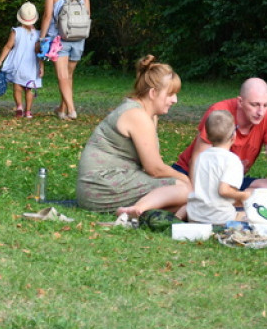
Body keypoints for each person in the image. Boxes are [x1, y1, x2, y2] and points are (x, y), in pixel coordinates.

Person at [76, 55, 190, 214]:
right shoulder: (137, 115)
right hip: (101, 187)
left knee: (184, 203)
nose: (175, 100)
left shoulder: (145, 112)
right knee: (185, 191)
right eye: (170, 94)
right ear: (153, 93)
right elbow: (154, 169)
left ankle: (140, 211)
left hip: (107, 184)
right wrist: (187, 180)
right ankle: (137, 210)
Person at [173, 78, 267, 203]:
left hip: (228, 182)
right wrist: (199, 197)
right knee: (184, 194)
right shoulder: (219, 114)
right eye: (254, 105)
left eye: (265, 105)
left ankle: (229, 204)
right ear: (240, 102)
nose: (261, 112)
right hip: (194, 175)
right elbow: (198, 160)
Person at [38, 0, 90, 120]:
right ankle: (62, 109)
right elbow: (87, 15)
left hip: (58, 39)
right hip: (78, 37)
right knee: (68, 76)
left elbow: (47, 16)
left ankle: (72, 110)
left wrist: (41, 38)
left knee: (62, 76)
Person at [186, 110, 253, 225]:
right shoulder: (232, 160)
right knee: (250, 216)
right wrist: (245, 195)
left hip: (194, 216)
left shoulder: (201, 157)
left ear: (206, 135)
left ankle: (176, 218)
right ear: (234, 136)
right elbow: (224, 190)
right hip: (220, 218)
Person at [0, 1, 44, 118]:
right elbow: (40, 53)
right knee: (30, 89)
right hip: (32, 66)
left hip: (18, 64)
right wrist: (41, 66)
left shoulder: (16, 31)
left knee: (17, 87)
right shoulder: (39, 34)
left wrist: (0, 60)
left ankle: (19, 107)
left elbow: (8, 46)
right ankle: (28, 111)